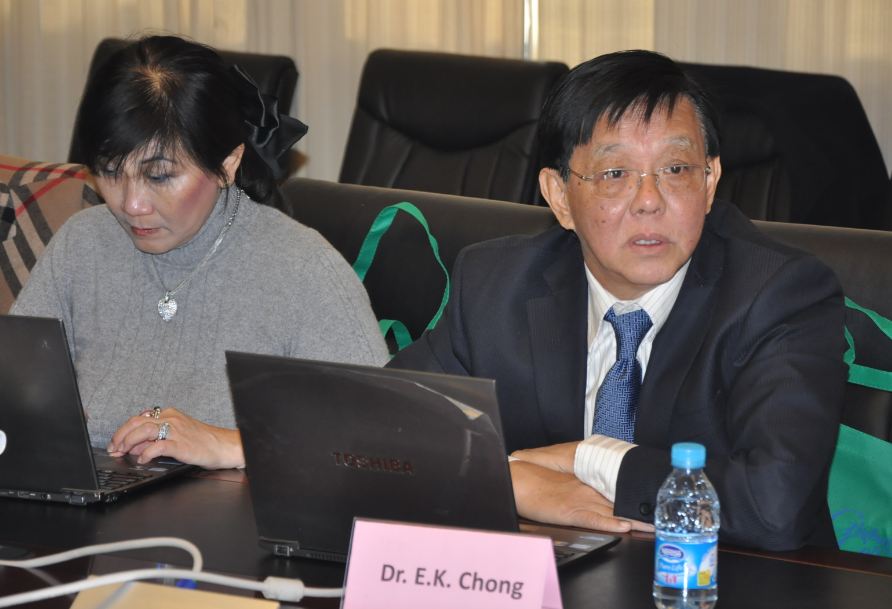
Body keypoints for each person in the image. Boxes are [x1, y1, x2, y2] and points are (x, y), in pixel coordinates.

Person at [389, 50, 846, 551]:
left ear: (710, 181)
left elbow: (775, 505)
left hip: (728, 581)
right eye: (614, 174)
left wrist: (592, 459)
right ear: (559, 196)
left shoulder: (779, 295)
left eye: (676, 168)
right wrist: (507, 479)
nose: (649, 200)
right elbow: (382, 429)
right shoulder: (495, 285)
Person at [11, 35, 388, 469]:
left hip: (226, 509)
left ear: (227, 164)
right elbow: (13, 390)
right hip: (85, 503)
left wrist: (232, 445)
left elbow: (381, 441)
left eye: (160, 176)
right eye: (110, 172)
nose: (132, 204)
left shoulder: (303, 269)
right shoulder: (83, 243)